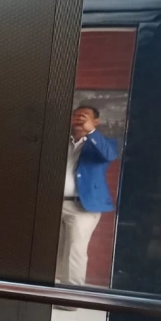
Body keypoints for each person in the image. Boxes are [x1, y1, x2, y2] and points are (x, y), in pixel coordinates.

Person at [56, 104, 118, 290]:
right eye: (75, 115)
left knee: (75, 250)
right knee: (52, 250)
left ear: (96, 121)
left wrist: (91, 132)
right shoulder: (58, 141)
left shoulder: (102, 144)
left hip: (82, 206)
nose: (79, 118)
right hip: (54, 204)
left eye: (84, 116)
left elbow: (110, 155)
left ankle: (71, 294)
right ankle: (50, 289)